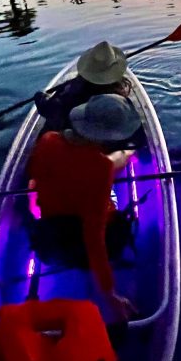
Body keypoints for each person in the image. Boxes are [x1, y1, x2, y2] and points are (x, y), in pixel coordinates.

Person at [27, 93, 141, 319]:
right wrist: (109, 293)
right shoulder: (101, 168)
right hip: (83, 245)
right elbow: (94, 236)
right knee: (112, 184)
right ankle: (128, 154)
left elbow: (34, 179)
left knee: (112, 163)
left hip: (51, 240)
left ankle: (126, 155)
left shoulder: (48, 140)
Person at [34, 41, 130, 132]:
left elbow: (49, 109)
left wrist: (39, 96)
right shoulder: (118, 95)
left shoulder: (70, 91)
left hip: (71, 134)